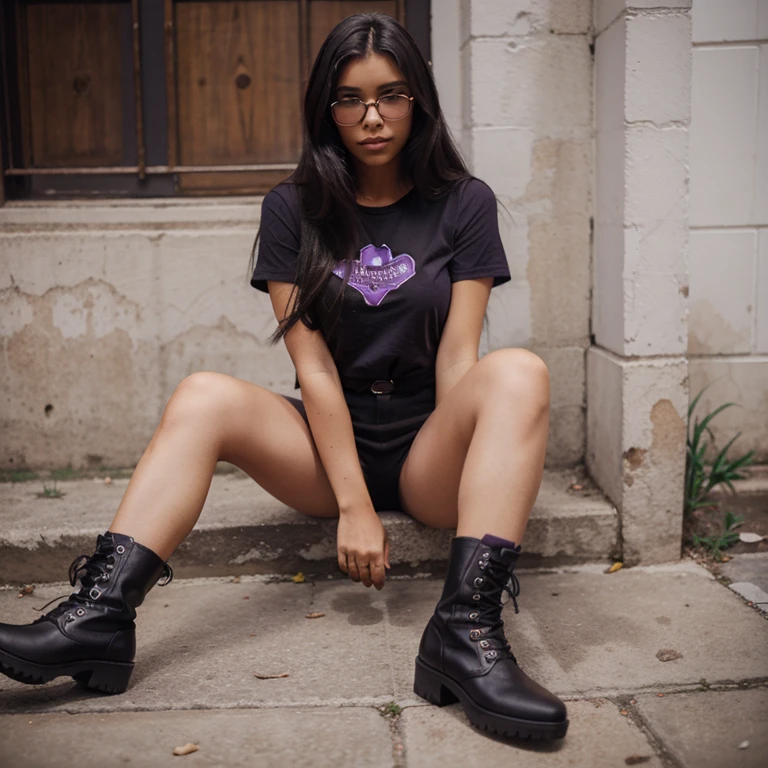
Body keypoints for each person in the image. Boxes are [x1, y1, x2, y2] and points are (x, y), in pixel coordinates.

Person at [0, 13, 567, 741]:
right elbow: (315, 369)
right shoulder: (292, 208)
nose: (371, 117)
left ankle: (463, 631)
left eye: (391, 95)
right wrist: (355, 506)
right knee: (203, 394)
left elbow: (460, 356)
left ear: (418, 101)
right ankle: (99, 620)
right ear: (325, 110)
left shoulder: (465, 203)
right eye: (350, 99)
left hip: (429, 446)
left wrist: (464, 466)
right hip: (327, 447)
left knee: (517, 370)